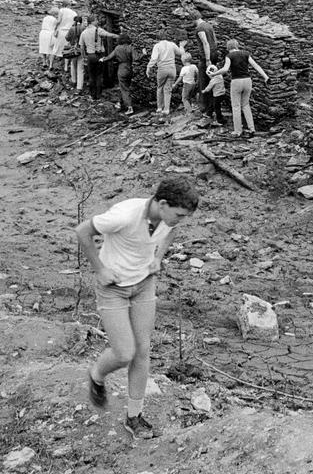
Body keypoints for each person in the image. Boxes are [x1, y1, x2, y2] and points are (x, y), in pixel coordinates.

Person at [74, 176, 200, 440]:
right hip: (114, 288)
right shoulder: (124, 214)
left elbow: (170, 231)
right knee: (124, 353)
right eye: (177, 214)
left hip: (144, 285)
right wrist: (99, 269)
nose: (179, 220)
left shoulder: (168, 219)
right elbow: (83, 231)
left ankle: (134, 416)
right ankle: (97, 373)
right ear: (162, 203)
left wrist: (157, 257)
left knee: (143, 351)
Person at [210, 39, 269, 138]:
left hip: (236, 81)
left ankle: (238, 131)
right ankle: (252, 128)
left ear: (228, 48)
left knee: (236, 106)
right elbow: (255, 65)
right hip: (247, 81)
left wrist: (214, 74)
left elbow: (225, 69)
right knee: (246, 105)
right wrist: (265, 76)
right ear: (237, 46)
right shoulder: (246, 53)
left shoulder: (229, 56)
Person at [145, 32, 184, 117]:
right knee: (168, 90)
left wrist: (148, 67)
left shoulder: (157, 46)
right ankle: (167, 109)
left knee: (160, 88)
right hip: (172, 69)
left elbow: (154, 58)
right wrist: (181, 46)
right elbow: (181, 53)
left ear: (158, 38)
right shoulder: (172, 44)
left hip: (162, 69)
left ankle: (159, 108)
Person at [80, 15, 118, 97]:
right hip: (99, 55)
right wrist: (119, 36)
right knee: (99, 75)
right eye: (96, 20)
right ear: (93, 21)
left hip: (90, 55)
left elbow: (82, 47)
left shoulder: (83, 33)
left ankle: (92, 95)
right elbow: (109, 35)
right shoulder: (98, 30)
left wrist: (84, 57)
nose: (98, 21)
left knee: (91, 75)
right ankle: (98, 95)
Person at [191, 12, 218, 120]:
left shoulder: (200, 28)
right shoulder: (208, 25)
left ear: (194, 19)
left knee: (204, 82)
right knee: (212, 80)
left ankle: (205, 108)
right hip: (214, 53)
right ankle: (212, 107)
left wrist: (207, 59)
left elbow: (205, 43)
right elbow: (215, 40)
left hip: (206, 56)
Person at [102, 34, 137, 116]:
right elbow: (136, 58)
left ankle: (129, 107)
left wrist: (102, 59)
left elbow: (109, 57)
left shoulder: (117, 48)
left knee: (124, 88)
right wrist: (143, 54)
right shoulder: (130, 47)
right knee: (125, 87)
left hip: (121, 69)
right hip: (130, 69)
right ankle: (119, 103)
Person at [201, 59, 229, 126]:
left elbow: (208, 88)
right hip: (222, 94)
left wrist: (204, 91)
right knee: (214, 105)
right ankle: (209, 114)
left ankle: (219, 120)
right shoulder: (220, 76)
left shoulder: (213, 80)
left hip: (217, 95)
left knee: (217, 108)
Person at [50, 4, 78, 70]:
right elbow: (75, 24)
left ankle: (51, 65)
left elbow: (59, 21)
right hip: (69, 31)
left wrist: (55, 27)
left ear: (63, 5)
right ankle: (65, 67)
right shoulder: (74, 13)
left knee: (55, 48)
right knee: (67, 49)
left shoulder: (62, 10)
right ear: (69, 5)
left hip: (61, 31)